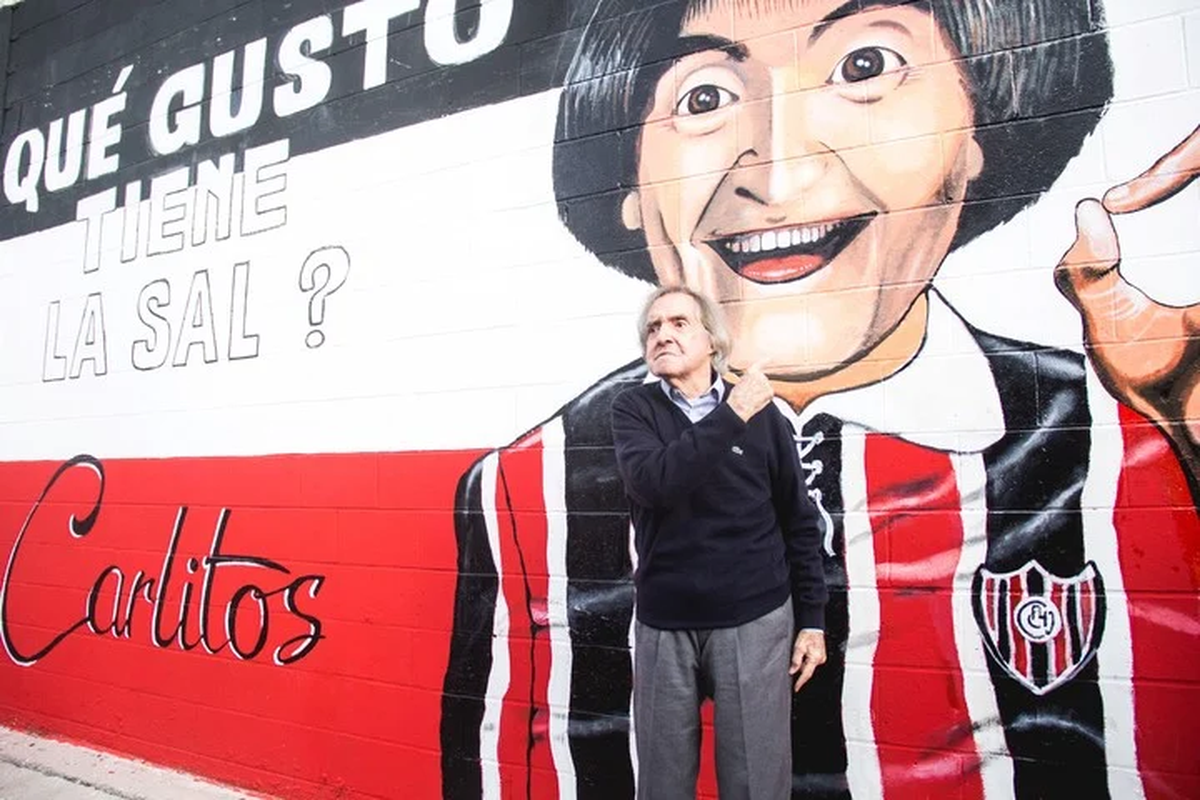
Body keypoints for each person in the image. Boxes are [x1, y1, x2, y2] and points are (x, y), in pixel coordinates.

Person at [441, 0, 1200, 797]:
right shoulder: (526, 492)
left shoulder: (1131, 435)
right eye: (704, 97)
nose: (778, 176)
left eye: (865, 67)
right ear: (629, 182)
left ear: (978, 133)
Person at [612, 285, 827, 799]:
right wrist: (732, 414)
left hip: (754, 618)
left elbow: (798, 518)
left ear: (712, 340)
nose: (662, 334)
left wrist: (813, 620)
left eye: (678, 323)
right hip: (665, 622)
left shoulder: (764, 417)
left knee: (756, 783)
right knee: (662, 786)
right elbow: (655, 483)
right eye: (653, 328)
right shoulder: (633, 409)